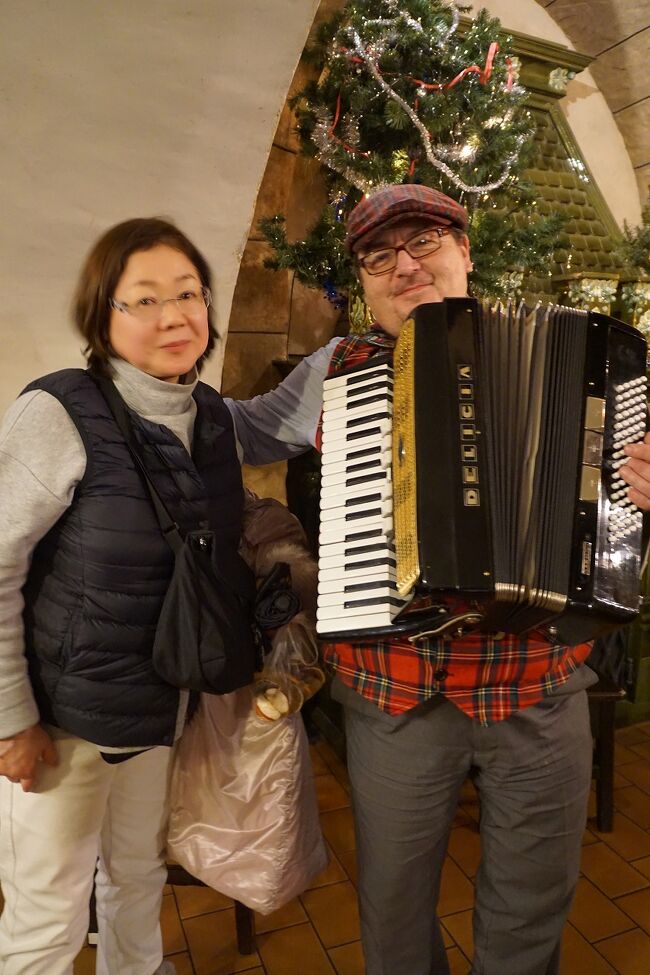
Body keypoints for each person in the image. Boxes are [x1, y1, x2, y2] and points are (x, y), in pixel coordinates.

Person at [227, 183, 650, 975]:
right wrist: (137, 391)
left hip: (540, 685)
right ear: (363, 282)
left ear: (464, 252)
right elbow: (244, 428)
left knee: (531, 912)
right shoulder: (338, 368)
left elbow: (612, 514)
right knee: (392, 913)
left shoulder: (586, 359)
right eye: (379, 257)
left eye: (423, 242)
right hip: (395, 698)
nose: (404, 267)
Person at [0, 218, 245, 975]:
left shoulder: (212, 420)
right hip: (60, 719)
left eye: (188, 294)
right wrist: (11, 719)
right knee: (48, 915)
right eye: (143, 300)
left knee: (137, 876)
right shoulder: (61, 411)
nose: (174, 317)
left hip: (157, 704)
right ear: (101, 316)